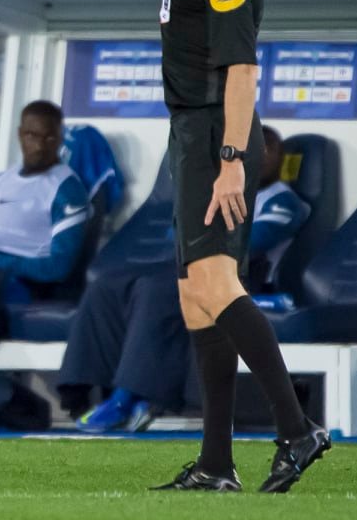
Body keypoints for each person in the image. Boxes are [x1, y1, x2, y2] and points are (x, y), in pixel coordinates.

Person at [151, 0, 330, 493]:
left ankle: (297, 429)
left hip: (211, 135)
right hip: (195, 136)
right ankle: (217, 461)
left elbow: (242, 71)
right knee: (195, 292)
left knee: (217, 286)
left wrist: (231, 162)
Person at [69, 124, 310, 432]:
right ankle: (81, 389)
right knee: (108, 283)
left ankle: (129, 397)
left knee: (158, 288)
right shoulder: (220, 193)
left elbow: (247, 246)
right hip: (199, 269)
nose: (259, 157)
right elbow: (178, 234)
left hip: (241, 280)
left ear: (279, 159)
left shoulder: (281, 202)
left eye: (268, 150)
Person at [0, 100, 93, 292]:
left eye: (49, 138)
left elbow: (58, 268)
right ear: (20, 135)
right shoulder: (0, 183)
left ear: (60, 139)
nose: (40, 146)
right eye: (32, 136)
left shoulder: (66, 190)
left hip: (29, 286)